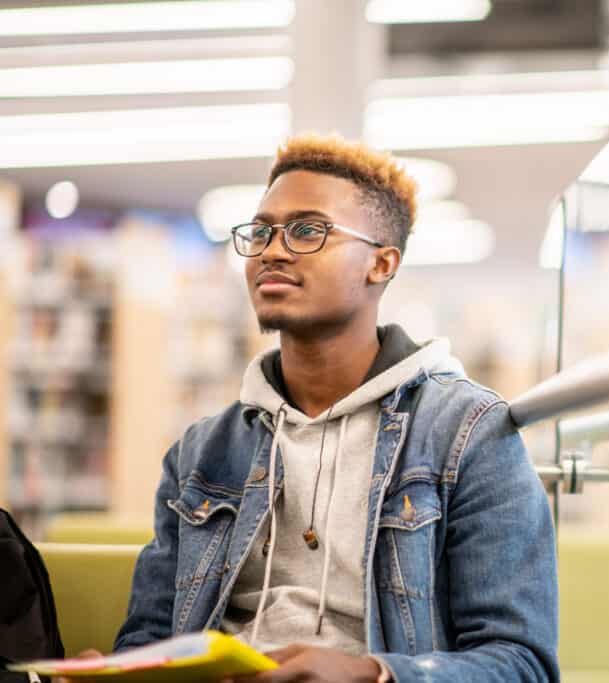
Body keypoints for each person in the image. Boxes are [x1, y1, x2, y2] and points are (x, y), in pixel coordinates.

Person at [111, 134, 559, 682]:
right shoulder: (203, 450)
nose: (272, 250)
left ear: (381, 264)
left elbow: (521, 663)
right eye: (260, 232)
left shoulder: (468, 435)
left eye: (307, 230)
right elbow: (149, 638)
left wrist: (370, 673)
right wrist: (117, 671)